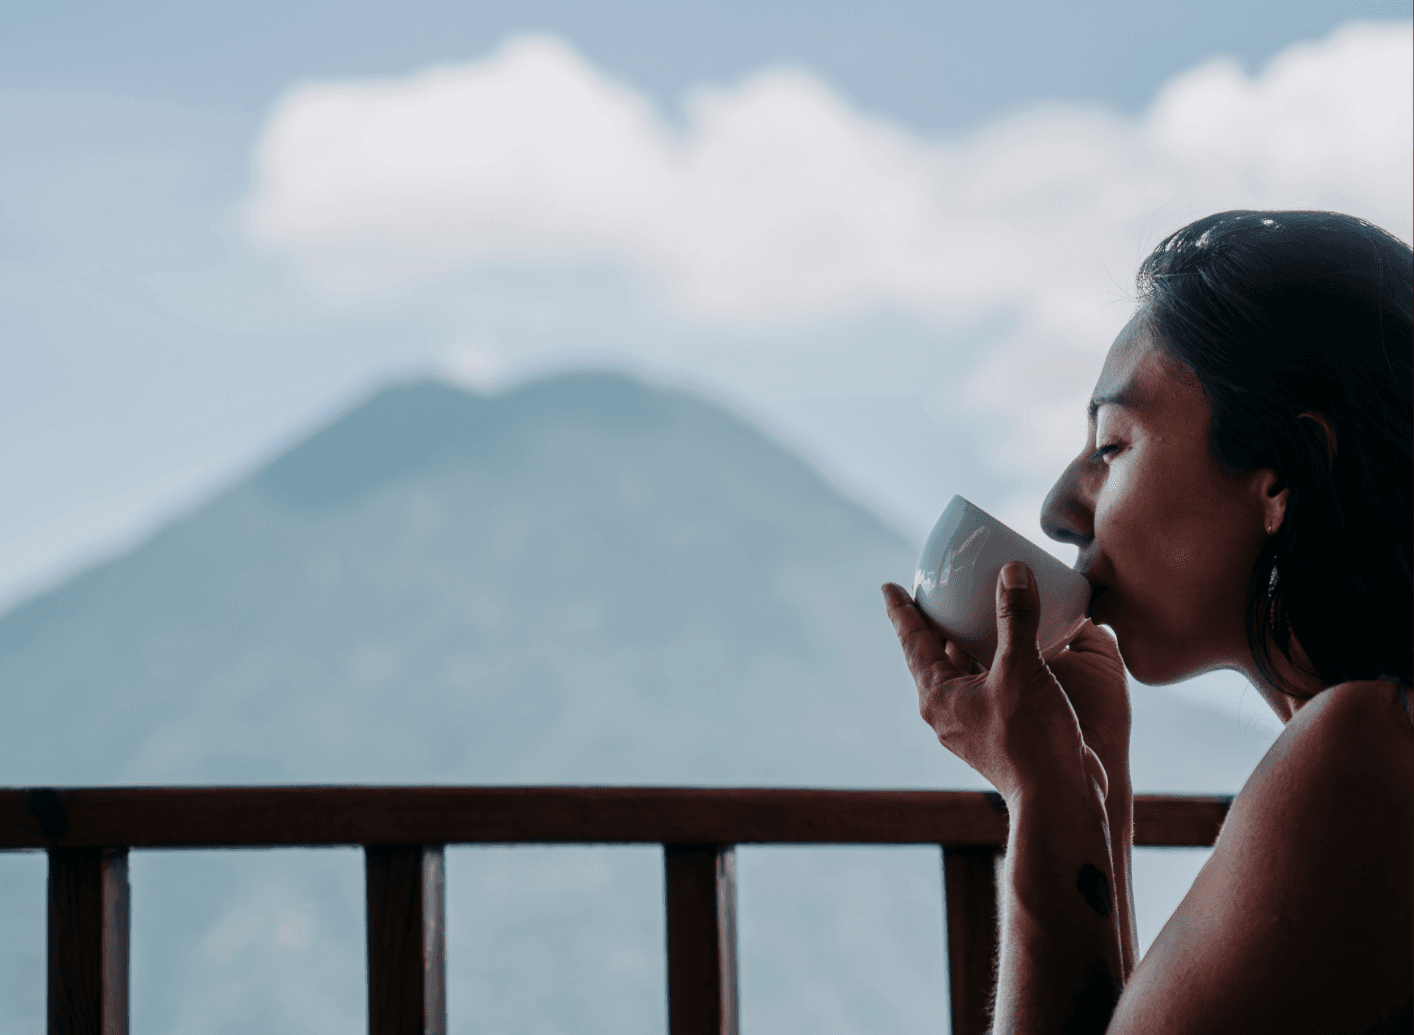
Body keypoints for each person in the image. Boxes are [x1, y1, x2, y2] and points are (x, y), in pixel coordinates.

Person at [882, 209, 1412, 1034]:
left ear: (1285, 474)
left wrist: (1044, 797)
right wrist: (1088, 783)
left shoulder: (1364, 750)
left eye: (1111, 446)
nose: (1058, 509)